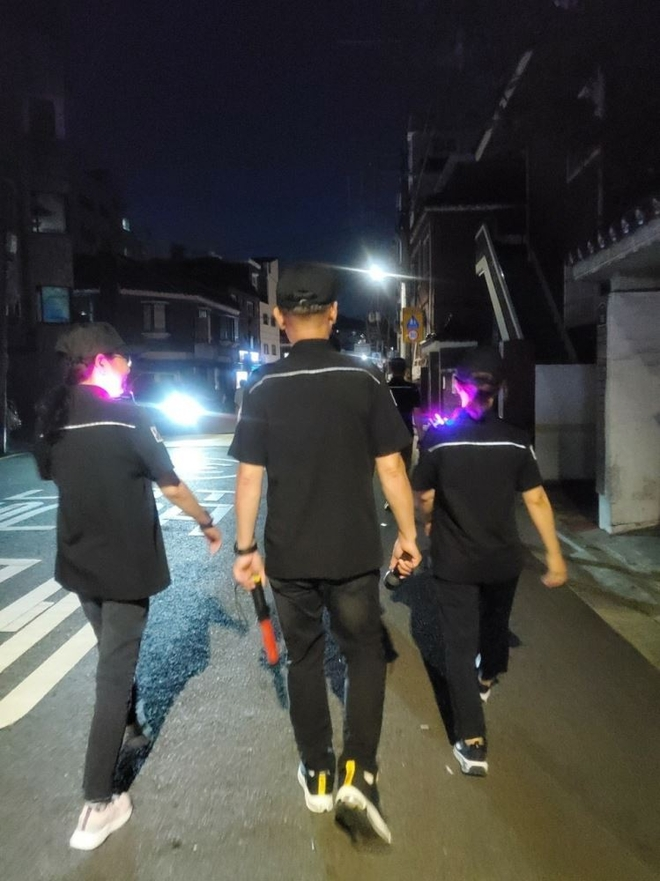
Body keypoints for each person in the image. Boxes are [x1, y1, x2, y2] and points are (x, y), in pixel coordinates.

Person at [229, 264, 421, 844]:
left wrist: (245, 548)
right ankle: (359, 773)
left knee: (305, 659)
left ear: (281, 317)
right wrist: (408, 536)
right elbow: (392, 467)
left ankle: (317, 773)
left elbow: (249, 478)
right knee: (364, 655)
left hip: (289, 556)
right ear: (334, 314)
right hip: (353, 552)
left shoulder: (261, 386)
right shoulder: (364, 379)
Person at [34, 322, 222, 851]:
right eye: (121, 356)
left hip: (79, 564)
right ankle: (97, 804)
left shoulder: (53, 419)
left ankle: (132, 726)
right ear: (100, 362)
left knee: (112, 654)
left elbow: (51, 474)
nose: (129, 364)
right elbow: (172, 484)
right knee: (112, 674)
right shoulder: (129, 416)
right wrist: (207, 521)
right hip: (124, 566)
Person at [411, 346, 567, 777]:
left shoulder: (439, 440)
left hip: (455, 561)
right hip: (503, 560)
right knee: (495, 625)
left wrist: (427, 522)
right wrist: (555, 557)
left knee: (459, 647)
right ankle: (487, 678)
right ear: (500, 390)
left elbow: (423, 495)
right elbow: (536, 499)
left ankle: (473, 742)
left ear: (457, 387)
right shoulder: (516, 439)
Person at [386, 357, 421, 473]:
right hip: (407, 431)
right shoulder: (411, 388)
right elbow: (417, 413)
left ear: (390, 369)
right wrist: (421, 436)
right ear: (405, 370)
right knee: (405, 466)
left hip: (389, 433)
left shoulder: (385, 388)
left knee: (391, 468)